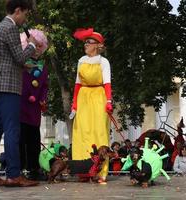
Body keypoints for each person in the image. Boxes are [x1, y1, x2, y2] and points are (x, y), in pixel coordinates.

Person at [0, 0, 40, 187]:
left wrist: (23, 65)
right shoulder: (11, 28)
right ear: (17, 10)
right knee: (13, 130)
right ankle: (14, 174)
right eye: (26, 14)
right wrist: (31, 45)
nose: (26, 18)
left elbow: (8, 58)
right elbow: (19, 55)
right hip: (8, 86)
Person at [71, 28, 113, 184]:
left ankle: (100, 172)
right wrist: (74, 103)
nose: (85, 45)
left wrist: (109, 102)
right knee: (81, 132)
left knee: (99, 131)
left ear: (97, 45)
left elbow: (107, 83)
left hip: (98, 97)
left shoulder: (103, 62)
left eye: (88, 42)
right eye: (85, 42)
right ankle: (83, 171)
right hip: (83, 98)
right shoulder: (81, 61)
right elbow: (77, 84)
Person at [19, 29, 48, 180]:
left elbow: (45, 86)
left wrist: (43, 99)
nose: (37, 49)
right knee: (20, 139)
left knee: (34, 140)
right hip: (21, 106)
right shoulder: (21, 64)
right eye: (34, 45)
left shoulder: (43, 67)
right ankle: (20, 169)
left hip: (35, 109)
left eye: (39, 46)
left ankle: (34, 169)